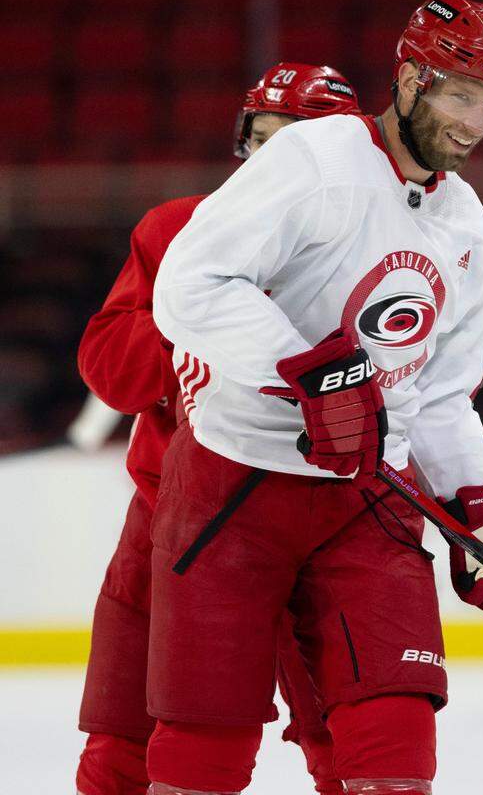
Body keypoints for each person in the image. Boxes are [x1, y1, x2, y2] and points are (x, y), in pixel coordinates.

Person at [146, 0, 483, 795]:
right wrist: (318, 372)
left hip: (369, 498)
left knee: (395, 743)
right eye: (459, 94)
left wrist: (482, 509)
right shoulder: (318, 159)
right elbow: (186, 287)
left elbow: (438, 400)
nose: (473, 121)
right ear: (409, 80)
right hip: (236, 488)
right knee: (203, 756)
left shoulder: (466, 225)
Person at [75, 62, 364, 795]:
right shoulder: (175, 233)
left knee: (348, 747)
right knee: (122, 753)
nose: (272, 164)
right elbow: (112, 373)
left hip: (317, 519)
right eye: (261, 141)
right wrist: (202, 309)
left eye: (295, 147)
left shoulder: (372, 257)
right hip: (172, 523)